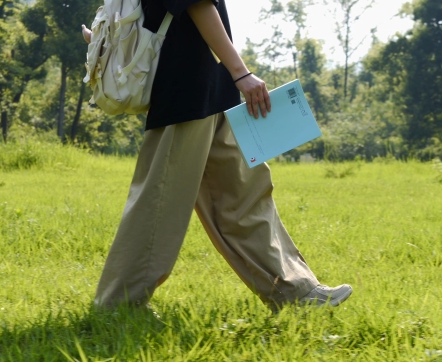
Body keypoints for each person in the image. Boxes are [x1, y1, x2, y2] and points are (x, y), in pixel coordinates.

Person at [81, 0, 352, 310]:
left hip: (213, 91)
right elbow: (195, 3)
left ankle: (295, 292)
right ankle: (118, 305)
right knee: (159, 203)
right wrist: (241, 73)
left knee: (245, 197)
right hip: (184, 94)